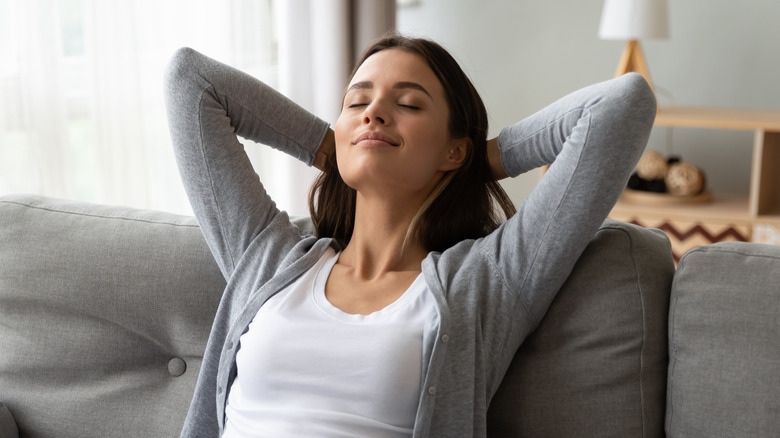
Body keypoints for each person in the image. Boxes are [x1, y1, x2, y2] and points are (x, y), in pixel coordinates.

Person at [164, 33, 656, 438]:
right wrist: (331, 147)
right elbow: (191, 81)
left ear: (452, 151)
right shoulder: (268, 260)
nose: (373, 112)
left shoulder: (488, 282)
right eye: (357, 101)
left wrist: (478, 162)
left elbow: (620, 106)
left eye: (408, 104)